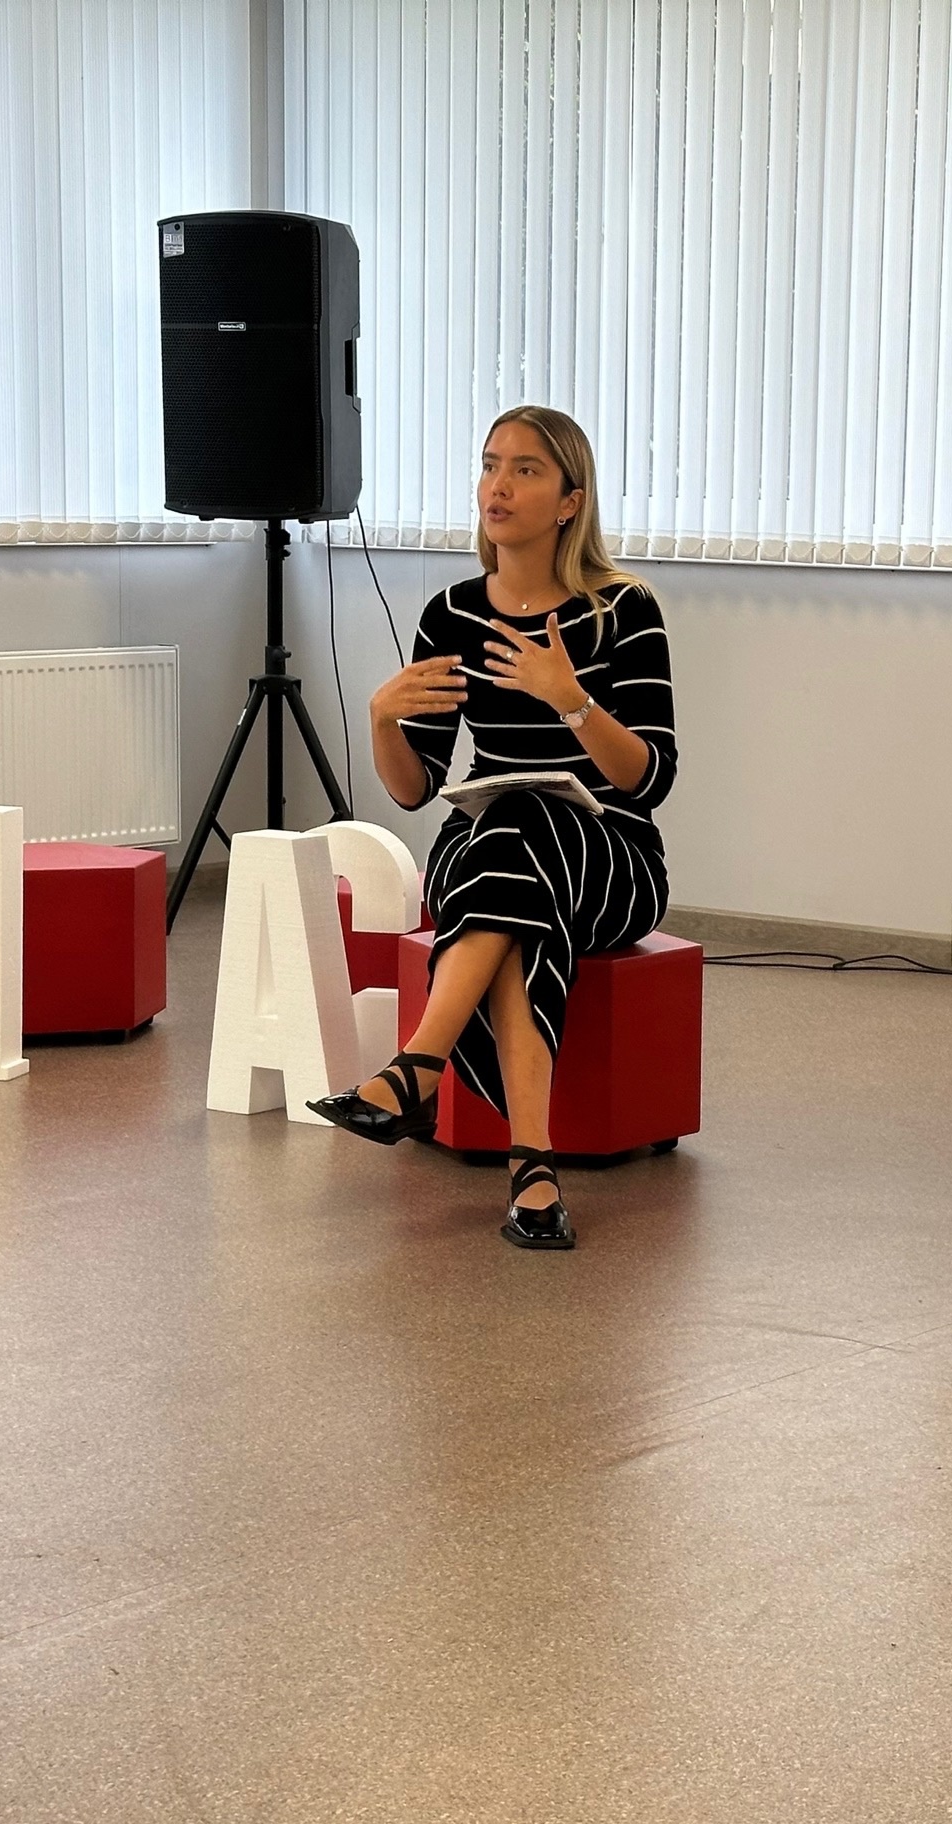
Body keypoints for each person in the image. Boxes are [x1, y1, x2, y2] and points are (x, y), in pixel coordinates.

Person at [309, 406, 676, 1251]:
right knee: (514, 855)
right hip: (482, 854)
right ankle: (531, 1167)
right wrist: (381, 719)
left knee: (523, 831)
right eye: (489, 465)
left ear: (570, 501)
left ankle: (417, 1067)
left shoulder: (624, 610)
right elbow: (415, 789)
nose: (497, 486)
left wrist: (571, 701)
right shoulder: (451, 615)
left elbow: (651, 778)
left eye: (525, 470)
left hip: (613, 860)